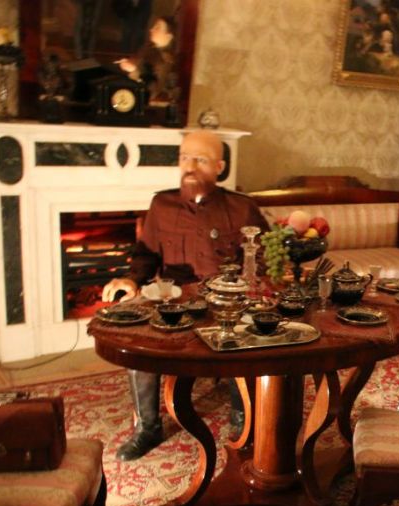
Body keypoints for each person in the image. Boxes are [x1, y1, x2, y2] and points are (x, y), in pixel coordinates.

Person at [102, 130, 269, 460]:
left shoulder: (242, 208)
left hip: (225, 306)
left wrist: (252, 287)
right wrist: (132, 281)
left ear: (219, 167)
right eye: (184, 158)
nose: (189, 167)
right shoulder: (161, 205)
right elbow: (146, 255)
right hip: (174, 305)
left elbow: (264, 259)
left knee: (248, 339)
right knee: (139, 346)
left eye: (200, 159)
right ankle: (148, 428)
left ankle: (243, 419)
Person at [115, 15, 176, 102]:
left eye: (157, 28)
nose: (151, 30)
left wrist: (134, 70)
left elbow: (152, 91)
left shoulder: (165, 61)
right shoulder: (148, 48)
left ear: (168, 36)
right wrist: (130, 63)